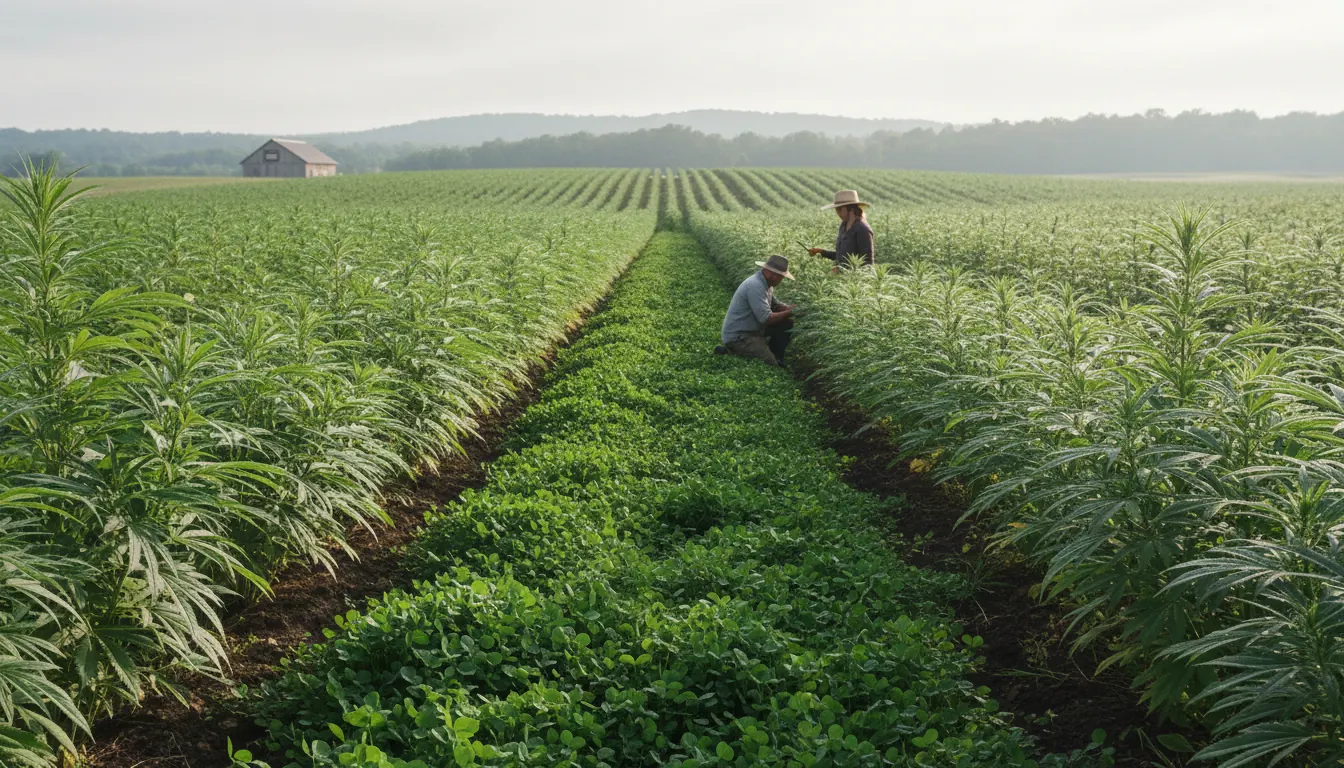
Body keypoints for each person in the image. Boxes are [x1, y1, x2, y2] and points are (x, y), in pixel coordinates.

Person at [715, 254, 796, 367]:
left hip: (751, 331)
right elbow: (766, 319)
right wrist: (790, 312)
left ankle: (775, 356)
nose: (781, 279)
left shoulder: (767, 284)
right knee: (771, 364)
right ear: (773, 275)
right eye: (781, 276)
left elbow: (776, 305)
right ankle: (732, 350)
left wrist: (791, 308)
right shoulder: (756, 286)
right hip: (740, 336)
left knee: (786, 323)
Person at [807, 189, 875, 267]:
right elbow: (841, 256)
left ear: (850, 209)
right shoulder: (843, 226)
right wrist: (821, 252)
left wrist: (842, 270)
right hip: (843, 276)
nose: (837, 213)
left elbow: (867, 263)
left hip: (855, 277)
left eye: (839, 209)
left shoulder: (862, 229)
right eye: (836, 209)